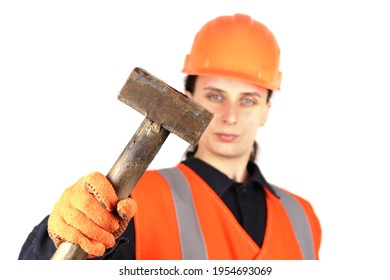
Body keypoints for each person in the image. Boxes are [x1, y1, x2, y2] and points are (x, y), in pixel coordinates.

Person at [18, 13, 321, 260]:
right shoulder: (131, 199)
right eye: (215, 96)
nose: (230, 115)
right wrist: (52, 238)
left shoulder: (304, 219)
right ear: (190, 98)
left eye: (248, 100)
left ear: (267, 110)